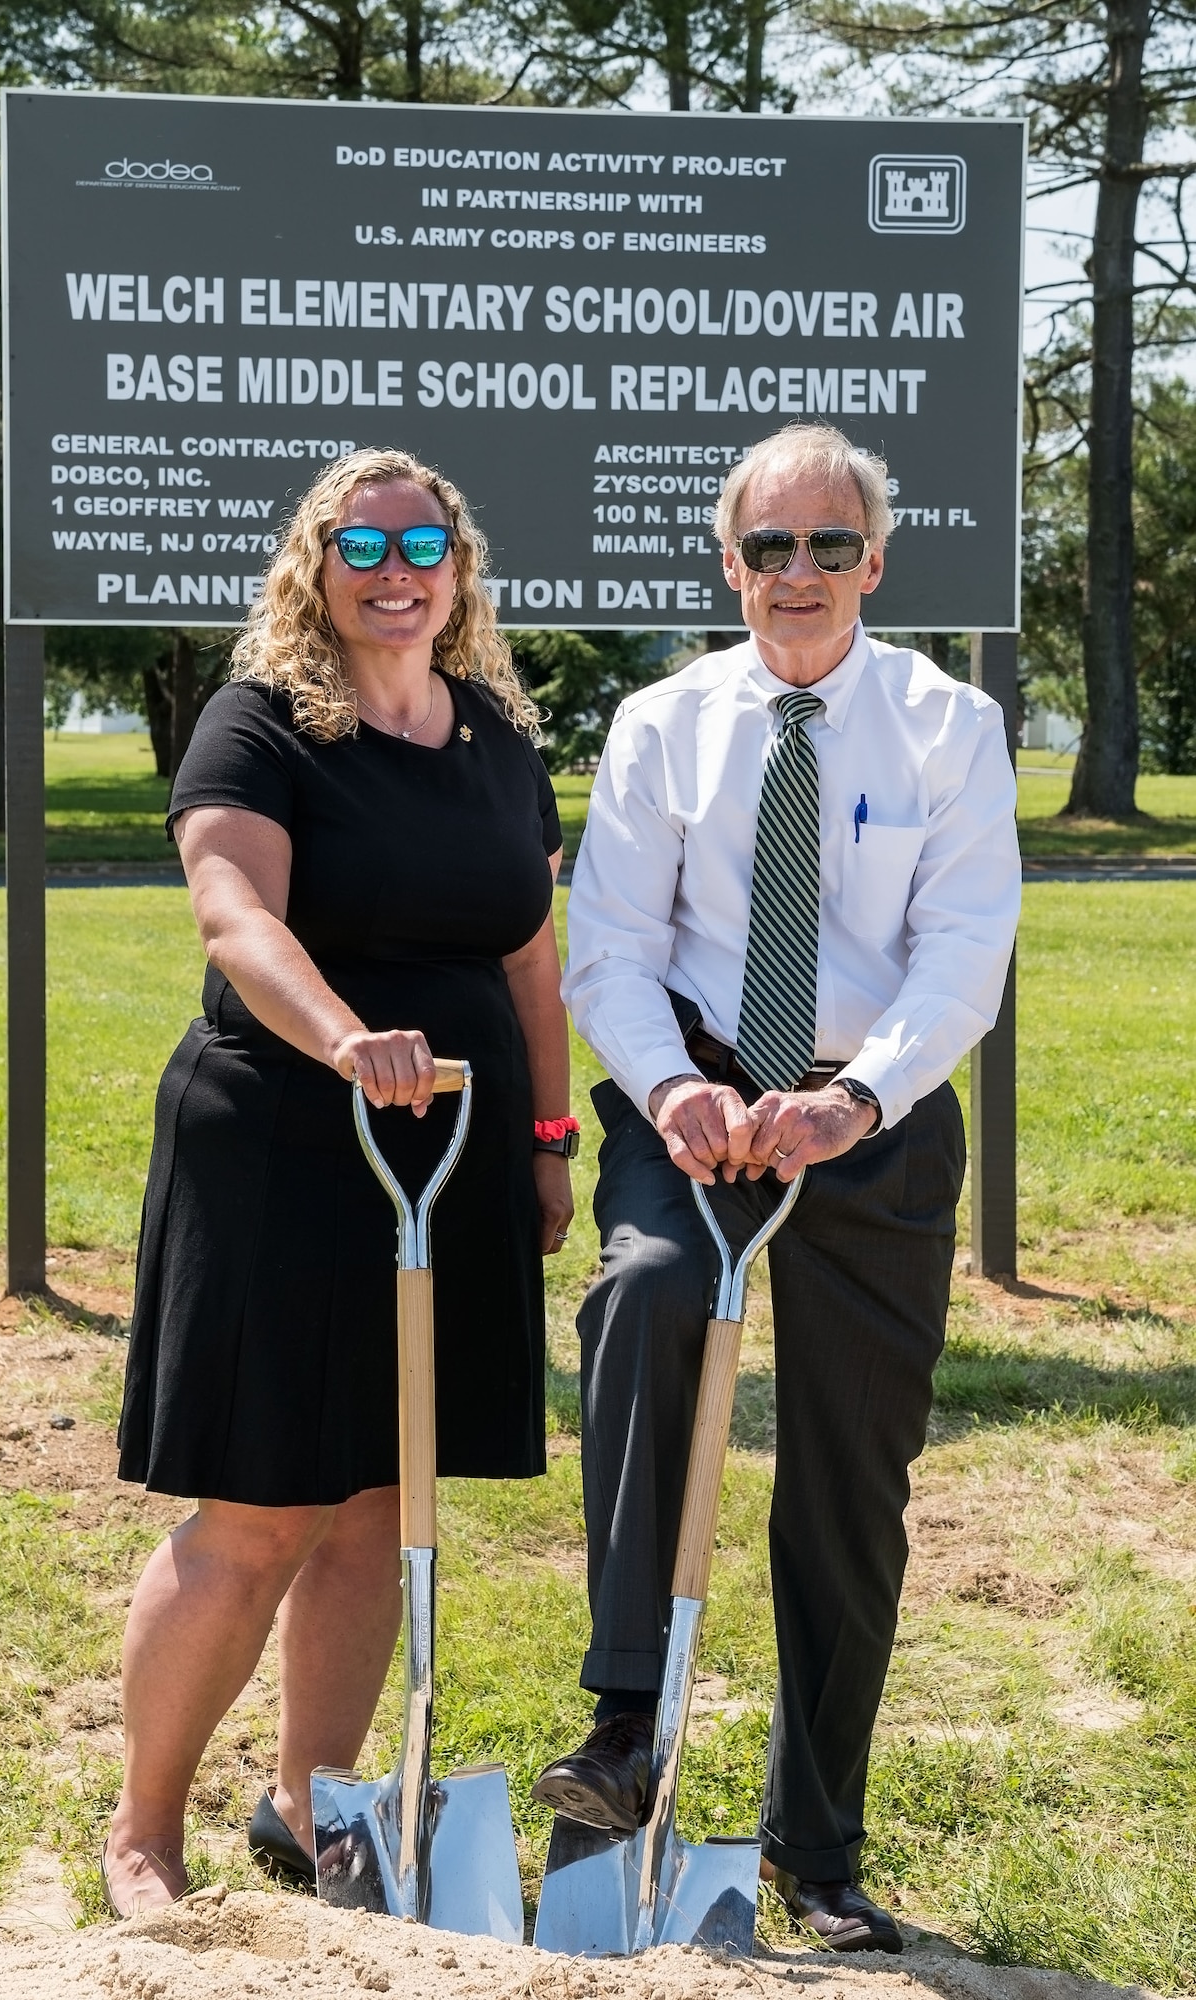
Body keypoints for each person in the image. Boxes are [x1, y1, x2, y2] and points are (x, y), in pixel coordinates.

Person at [532, 422, 1019, 1952]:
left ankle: (818, 1846)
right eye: (766, 548)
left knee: (844, 1474)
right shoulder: (662, 722)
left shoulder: (950, 727)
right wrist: (677, 1090)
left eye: (827, 546)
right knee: (649, 1299)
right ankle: (623, 1725)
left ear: (875, 562)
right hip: (694, 1100)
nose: (794, 575)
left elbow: (962, 946)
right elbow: (607, 938)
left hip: (873, 1116)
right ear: (728, 564)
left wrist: (854, 1098)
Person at [104, 448, 574, 1917]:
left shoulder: (496, 733)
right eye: (360, 544)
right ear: (317, 567)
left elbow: (529, 957)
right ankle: (143, 1833)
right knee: (261, 1505)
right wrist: (345, 1037)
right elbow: (232, 909)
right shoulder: (259, 726)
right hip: (288, 1145)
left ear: (459, 568)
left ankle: (313, 1807)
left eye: (421, 541)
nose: (394, 567)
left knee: (380, 1497)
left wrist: (551, 1143)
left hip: (453, 1149)